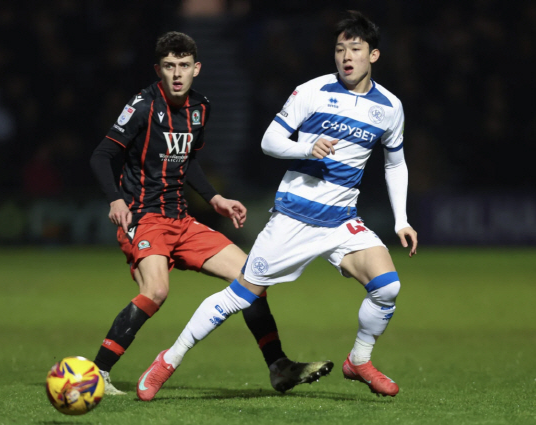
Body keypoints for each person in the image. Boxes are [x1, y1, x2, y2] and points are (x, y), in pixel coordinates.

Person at [135, 11, 418, 401]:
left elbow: (395, 162)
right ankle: (167, 359)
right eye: (340, 49)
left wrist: (402, 219)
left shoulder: (389, 107)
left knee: (388, 287)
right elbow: (270, 141)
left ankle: (359, 361)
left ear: (374, 56)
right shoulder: (312, 92)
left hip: (341, 222)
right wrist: (306, 146)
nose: (346, 57)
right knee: (241, 296)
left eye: (355, 49)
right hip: (293, 219)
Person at [89, 31, 333, 396]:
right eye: (169, 66)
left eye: (184, 65)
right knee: (155, 291)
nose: (177, 73)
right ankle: (97, 373)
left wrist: (214, 198)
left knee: (253, 277)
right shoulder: (142, 106)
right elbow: (101, 155)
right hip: (144, 217)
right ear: (158, 69)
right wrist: (115, 199)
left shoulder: (200, 108)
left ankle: (279, 367)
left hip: (182, 220)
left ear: (196, 68)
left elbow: (188, 161)